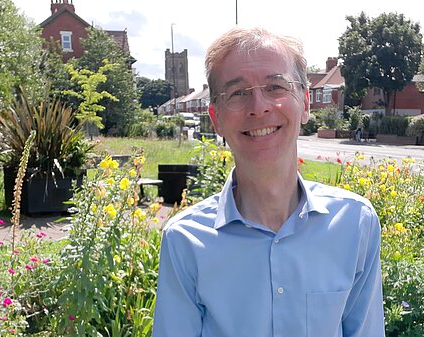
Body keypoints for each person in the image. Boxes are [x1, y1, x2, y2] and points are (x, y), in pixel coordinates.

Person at [153, 27, 385, 337]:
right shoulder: (185, 241)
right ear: (216, 117)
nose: (259, 106)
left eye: (276, 87)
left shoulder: (355, 224)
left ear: (304, 103)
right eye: (238, 93)